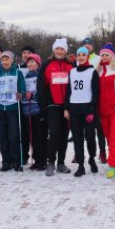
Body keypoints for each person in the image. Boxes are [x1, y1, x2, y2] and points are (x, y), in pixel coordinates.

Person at [38, 38, 74, 176]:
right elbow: (41, 86)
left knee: (64, 134)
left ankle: (61, 163)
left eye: (62, 49)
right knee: (54, 133)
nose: (60, 51)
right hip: (51, 105)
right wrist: (43, 106)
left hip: (66, 106)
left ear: (65, 51)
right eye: (57, 49)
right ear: (54, 50)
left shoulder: (70, 65)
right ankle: (51, 162)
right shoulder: (46, 64)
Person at [0, 51, 27, 172]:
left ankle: (16, 161)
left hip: (13, 107)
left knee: (14, 135)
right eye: (3, 59)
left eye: (7, 59)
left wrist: (21, 93)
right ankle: (6, 161)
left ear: (11, 60)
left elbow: (22, 87)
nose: (5, 62)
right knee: (2, 135)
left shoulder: (17, 72)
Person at [64, 47, 100, 177]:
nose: (80, 57)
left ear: (88, 56)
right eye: (78, 55)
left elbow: (96, 92)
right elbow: (69, 90)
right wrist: (66, 108)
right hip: (74, 108)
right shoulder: (72, 71)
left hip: (87, 108)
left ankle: (92, 158)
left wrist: (92, 110)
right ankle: (80, 165)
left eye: (83, 55)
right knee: (77, 138)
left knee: (90, 136)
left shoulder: (92, 72)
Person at [94, 43, 115, 178]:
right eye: (102, 54)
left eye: (107, 54)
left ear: (112, 56)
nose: (105, 57)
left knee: (114, 138)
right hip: (103, 110)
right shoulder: (98, 71)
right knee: (108, 137)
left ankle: (112, 165)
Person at [20, 54, 44, 170]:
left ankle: (41, 160)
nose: (30, 64)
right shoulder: (25, 76)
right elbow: (23, 91)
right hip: (26, 110)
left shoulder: (40, 76)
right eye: (28, 62)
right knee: (31, 137)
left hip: (37, 110)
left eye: (32, 62)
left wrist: (33, 95)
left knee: (38, 136)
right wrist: (23, 95)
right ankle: (36, 159)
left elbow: (42, 92)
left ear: (38, 64)